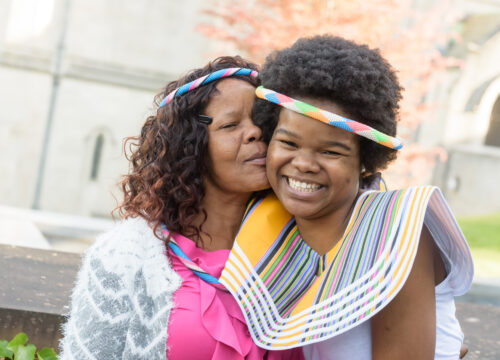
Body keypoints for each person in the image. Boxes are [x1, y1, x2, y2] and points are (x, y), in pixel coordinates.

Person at [220, 36, 473, 360]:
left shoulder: (395, 233)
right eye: (289, 144)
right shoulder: (268, 222)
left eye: (330, 151)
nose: (304, 164)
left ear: (365, 161)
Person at [59, 56, 303, 360]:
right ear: (190, 145)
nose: (254, 133)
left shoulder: (301, 247)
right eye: (230, 125)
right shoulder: (128, 253)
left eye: (262, 122)